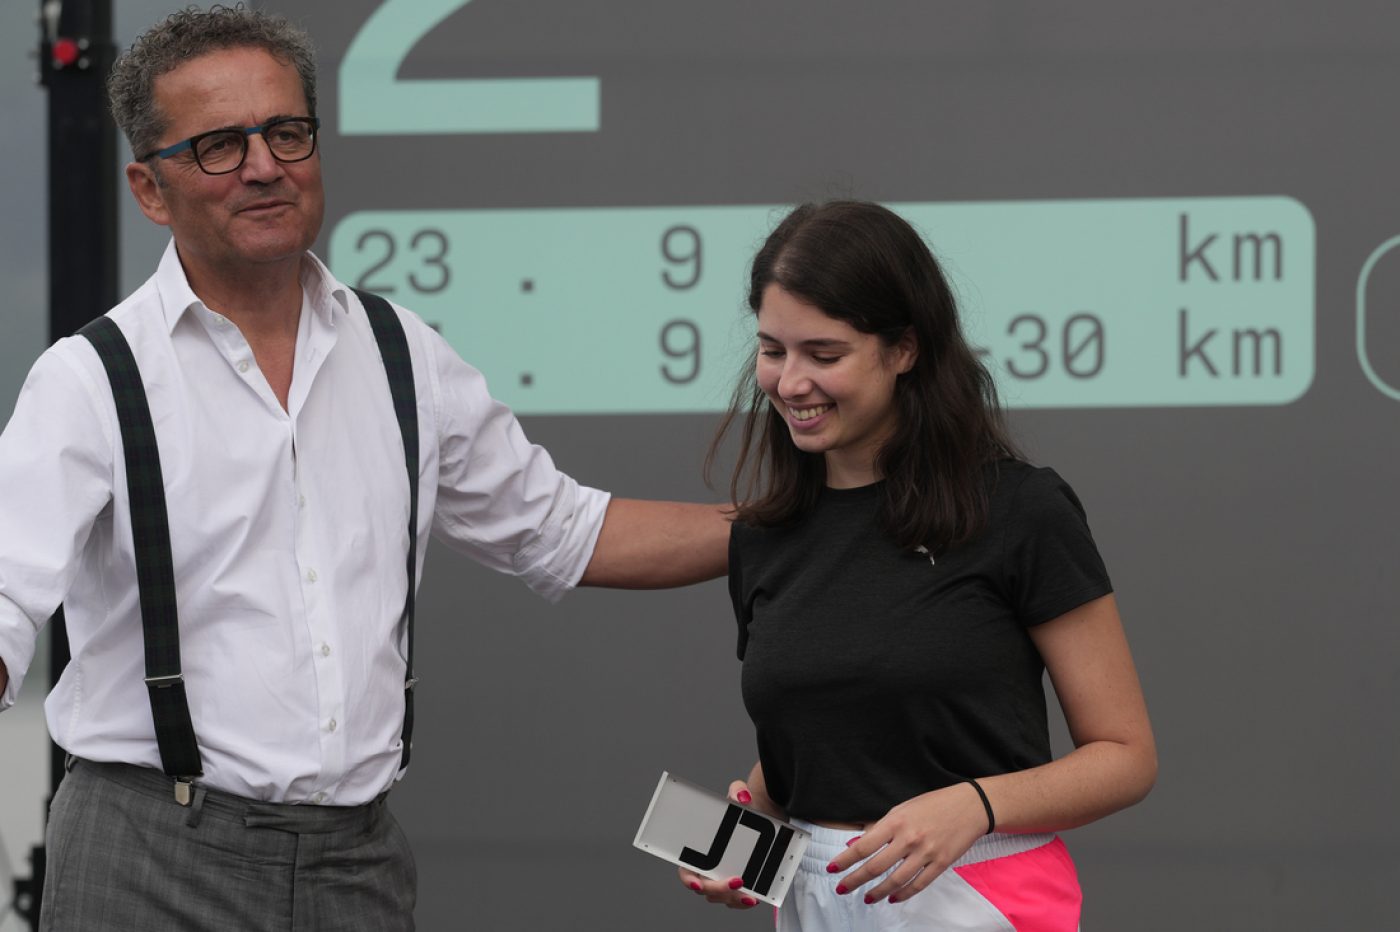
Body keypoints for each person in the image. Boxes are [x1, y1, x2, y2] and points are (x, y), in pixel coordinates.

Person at [0, 6, 728, 930]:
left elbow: (563, 530)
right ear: (150, 188)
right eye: (219, 146)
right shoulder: (91, 379)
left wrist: (804, 524)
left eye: (286, 132)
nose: (264, 166)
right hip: (149, 857)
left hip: (355, 862)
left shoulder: (400, 352)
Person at [679, 201, 1156, 929]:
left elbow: (1126, 755)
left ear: (905, 349)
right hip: (815, 899)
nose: (790, 382)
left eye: (824, 355)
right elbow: (823, 737)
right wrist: (750, 830)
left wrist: (976, 805)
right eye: (773, 350)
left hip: (980, 894)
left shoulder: (1020, 510)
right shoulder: (764, 537)